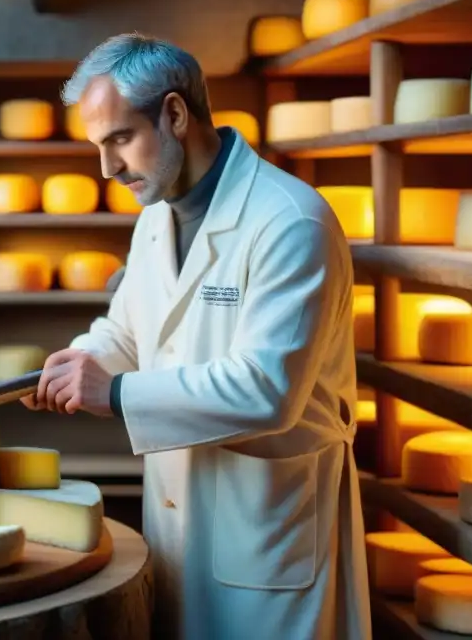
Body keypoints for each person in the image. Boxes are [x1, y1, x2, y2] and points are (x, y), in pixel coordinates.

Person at [21, 33, 371, 639]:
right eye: (97, 147)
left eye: (119, 139)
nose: (107, 169)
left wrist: (119, 394)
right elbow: (128, 329)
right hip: (180, 518)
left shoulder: (289, 221)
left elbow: (267, 391)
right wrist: (81, 361)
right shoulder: (156, 214)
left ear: (175, 114)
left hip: (268, 523)